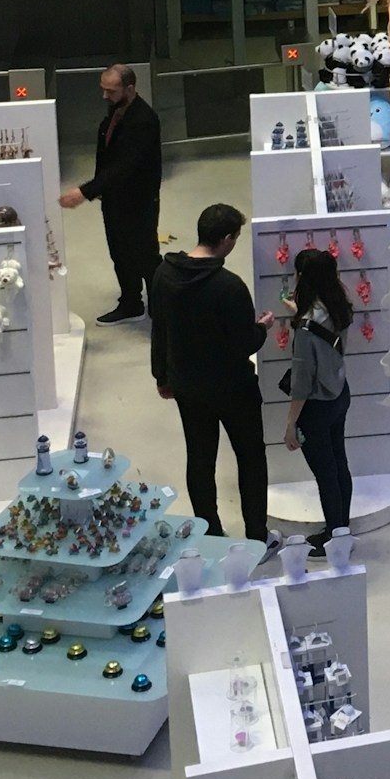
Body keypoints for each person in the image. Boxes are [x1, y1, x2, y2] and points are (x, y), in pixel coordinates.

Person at [149, 202, 271, 543]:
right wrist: (262, 328)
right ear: (228, 239)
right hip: (234, 388)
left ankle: (210, 532)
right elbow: (244, 343)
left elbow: (159, 328)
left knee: (200, 459)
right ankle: (257, 536)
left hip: (188, 386)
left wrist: (162, 375)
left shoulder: (164, 274)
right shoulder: (229, 286)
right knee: (250, 459)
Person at [59, 63, 162, 324]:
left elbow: (124, 166)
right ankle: (131, 302)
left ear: (130, 88)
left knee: (144, 254)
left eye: (111, 91)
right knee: (120, 251)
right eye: (103, 90)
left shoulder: (142, 120)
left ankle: (160, 306)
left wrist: (85, 191)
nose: (105, 96)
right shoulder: (117, 111)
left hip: (138, 200)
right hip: (115, 198)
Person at [276, 248, 353, 559]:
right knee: (339, 464)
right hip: (340, 394)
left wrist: (291, 423)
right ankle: (340, 528)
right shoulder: (340, 308)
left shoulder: (306, 328)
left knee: (325, 473)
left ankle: (334, 538)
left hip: (317, 408)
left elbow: (302, 382)